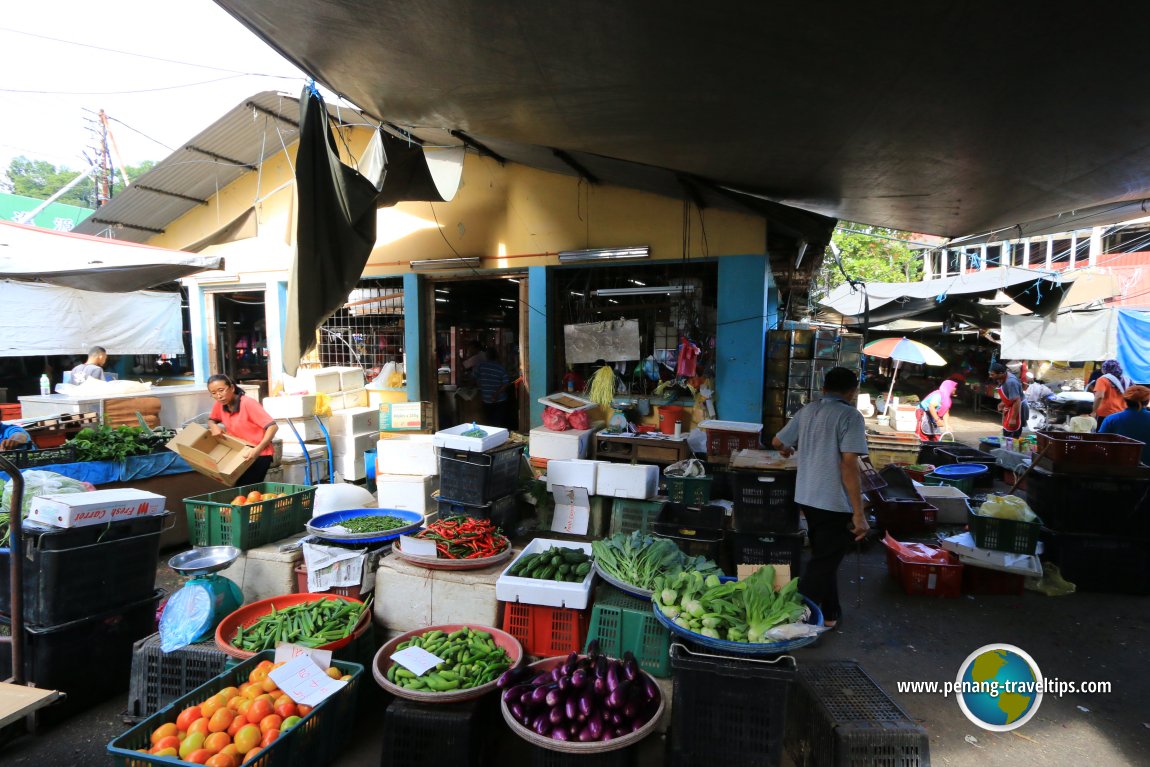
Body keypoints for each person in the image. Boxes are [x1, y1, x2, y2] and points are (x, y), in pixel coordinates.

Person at [771, 367, 869, 630]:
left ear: (823, 389)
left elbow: (777, 442)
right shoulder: (850, 416)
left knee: (826, 557)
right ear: (852, 392)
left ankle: (830, 613)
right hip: (833, 502)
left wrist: (788, 447)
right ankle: (794, 620)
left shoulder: (807, 411)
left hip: (807, 497)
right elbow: (849, 465)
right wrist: (859, 514)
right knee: (823, 561)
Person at [207, 374, 278, 486]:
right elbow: (211, 420)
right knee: (239, 490)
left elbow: (273, 427)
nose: (219, 396)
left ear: (232, 388)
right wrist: (213, 426)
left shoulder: (248, 403)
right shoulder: (220, 404)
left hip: (259, 454)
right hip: (240, 453)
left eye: (221, 390)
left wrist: (257, 449)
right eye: (214, 393)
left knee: (246, 490)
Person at [1099, 385, 1150, 464]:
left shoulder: (1112, 419)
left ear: (1125, 400)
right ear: (1147, 401)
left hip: (1119, 464)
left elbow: (1101, 441)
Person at [473, 349, 512, 428]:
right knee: (497, 424)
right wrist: (496, 394)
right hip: (500, 401)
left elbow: (474, 377)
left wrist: (481, 385)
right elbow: (506, 383)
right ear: (497, 357)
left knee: (489, 424)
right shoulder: (500, 368)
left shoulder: (480, 366)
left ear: (487, 357)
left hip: (486, 400)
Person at [989, 362, 1028, 438]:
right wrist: (1002, 403)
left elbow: (1017, 400)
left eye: (992, 374)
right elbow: (1009, 395)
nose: (990, 376)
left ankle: (1012, 448)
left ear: (1000, 373)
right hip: (1011, 405)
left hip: (1018, 408)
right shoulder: (1001, 378)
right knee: (1006, 431)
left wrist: (1013, 418)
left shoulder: (1011, 382)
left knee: (1013, 433)